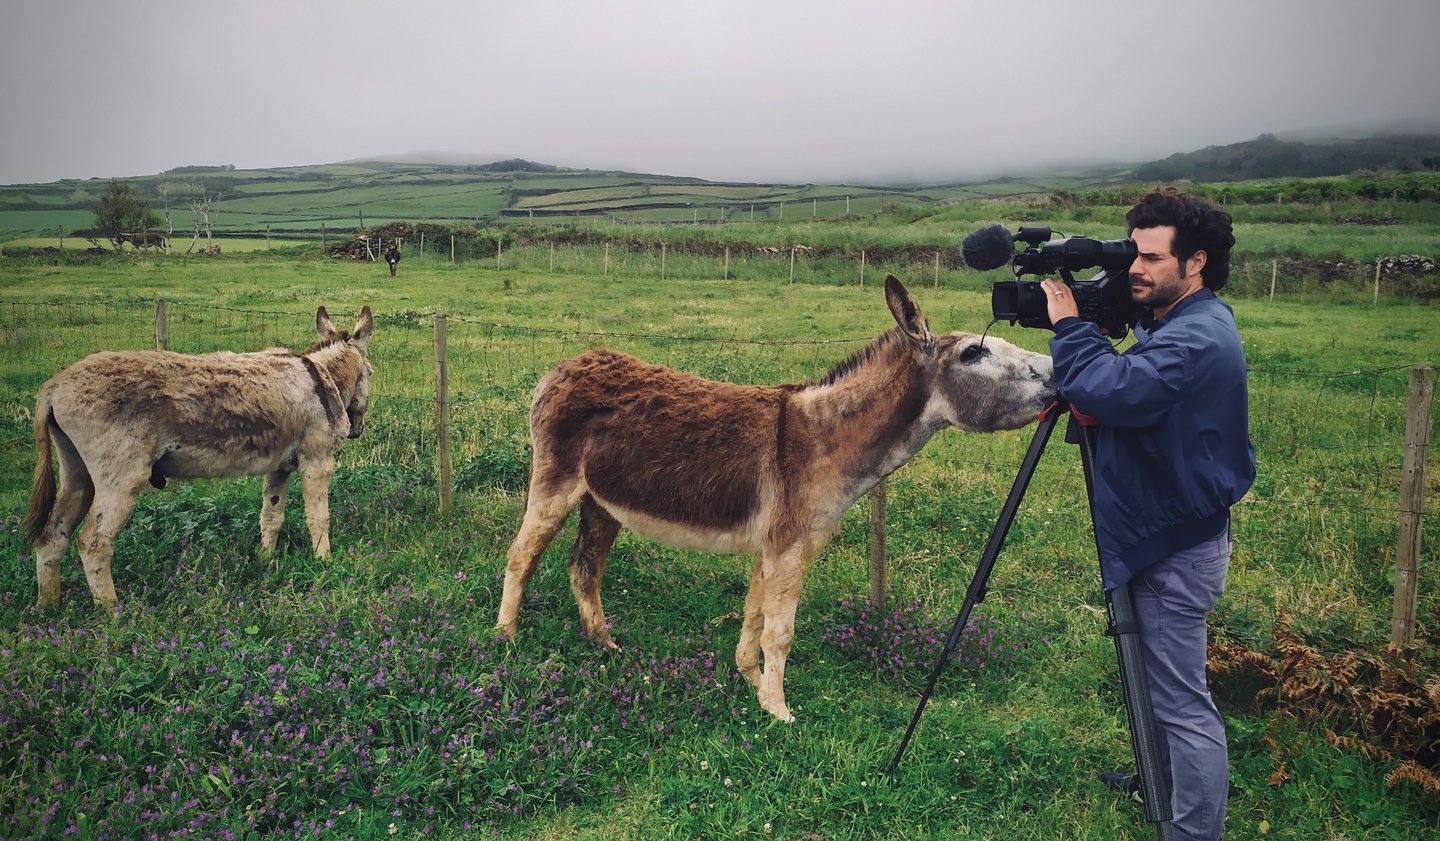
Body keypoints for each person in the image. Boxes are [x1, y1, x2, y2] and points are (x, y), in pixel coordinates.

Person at [1041, 187, 1256, 841]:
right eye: (1131, 252)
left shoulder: (1194, 341)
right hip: (1171, 525)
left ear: (1195, 261)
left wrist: (1071, 328)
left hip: (1171, 545)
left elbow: (1112, 388)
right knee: (1162, 686)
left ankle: (1191, 830)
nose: (1135, 267)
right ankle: (1159, 781)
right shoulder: (1189, 320)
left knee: (1182, 702)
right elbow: (1140, 361)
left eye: (1151, 257)